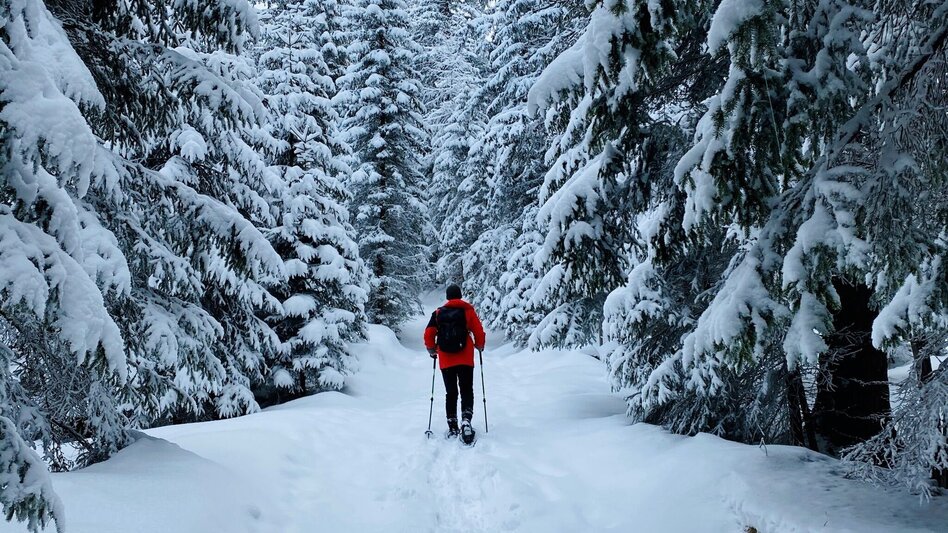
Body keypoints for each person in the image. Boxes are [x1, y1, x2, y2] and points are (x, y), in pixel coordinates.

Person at [424, 284, 485, 441]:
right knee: (466, 389)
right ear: (460, 295)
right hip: (465, 357)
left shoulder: (438, 313)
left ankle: (452, 424)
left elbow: (429, 333)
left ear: (447, 297)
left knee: (451, 392)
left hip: (446, 359)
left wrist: (432, 350)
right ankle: (466, 420)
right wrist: (479, 345)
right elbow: (478, 330)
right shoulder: (467, 310)